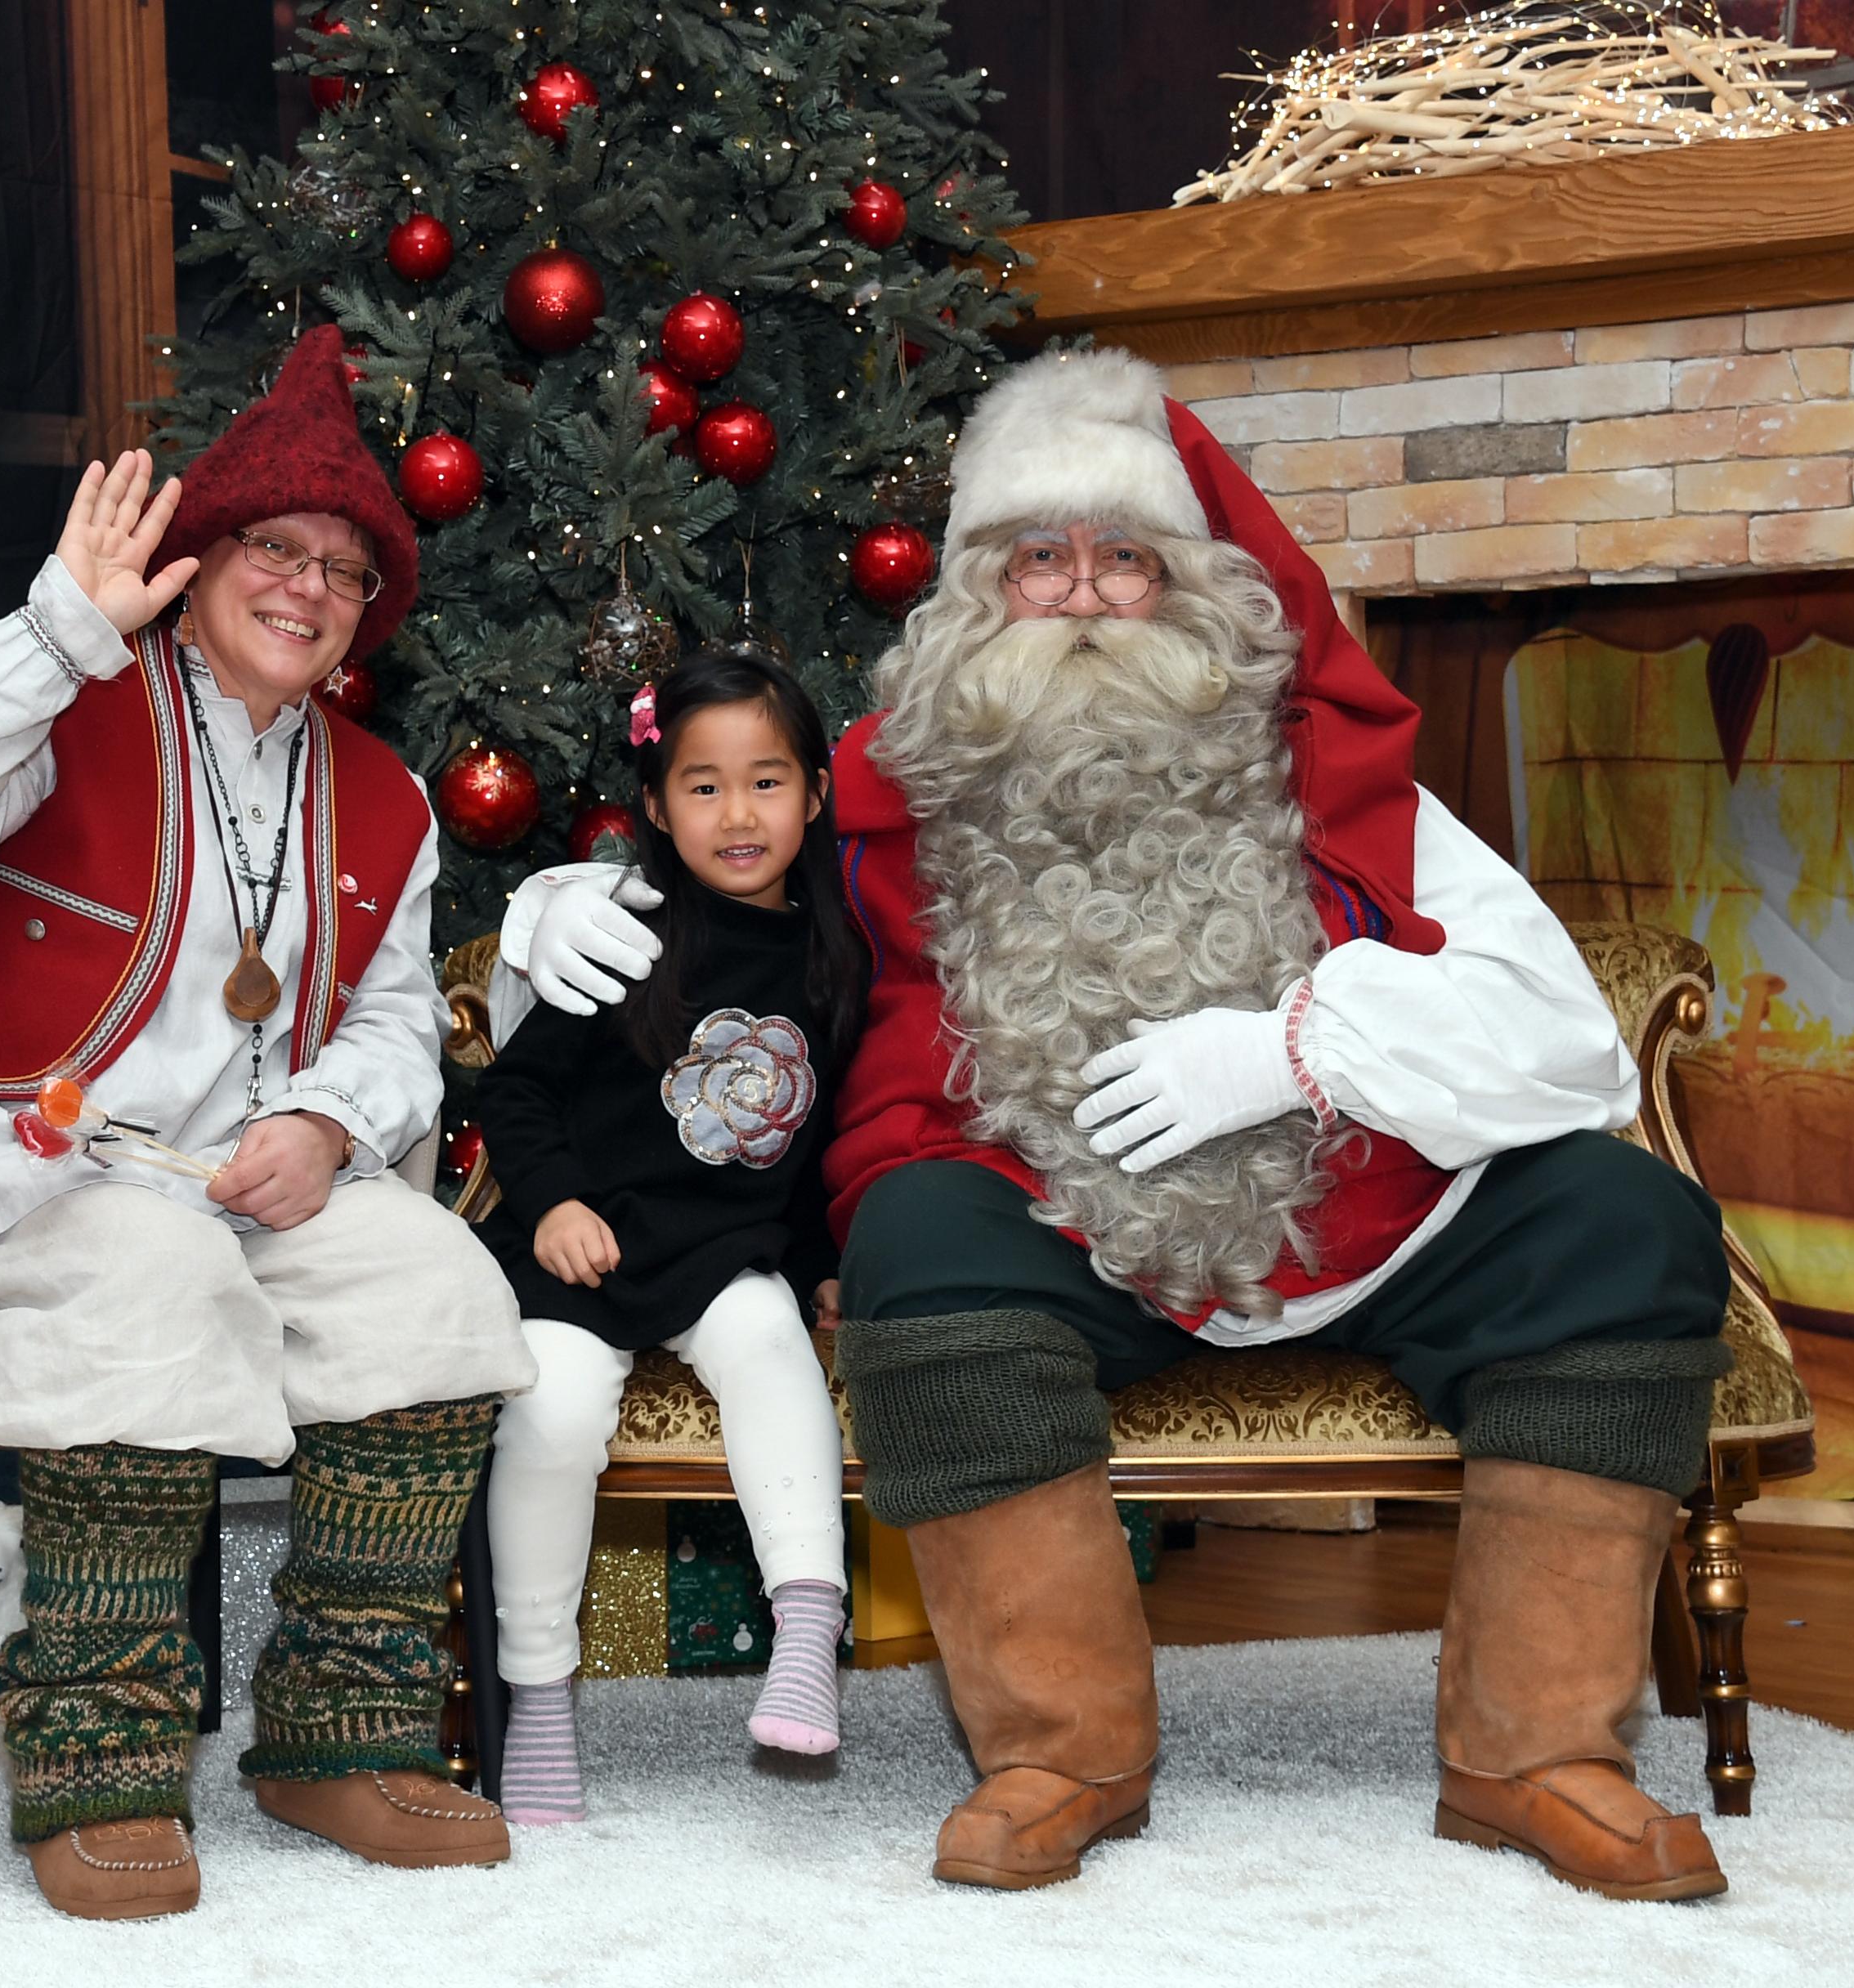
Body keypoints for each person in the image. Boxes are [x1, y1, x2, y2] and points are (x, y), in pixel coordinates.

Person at [506, 346, 1736, 1902]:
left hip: (1372, 1217)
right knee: (924, 1238)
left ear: (1194, 587)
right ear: (976, 592)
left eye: (1125, 557)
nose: (1082, 594)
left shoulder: (1341, 781)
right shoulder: (890, 796)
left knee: (1627, 1227)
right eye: (1039, 558)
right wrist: (566, 899)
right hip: (1064, 1230)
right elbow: (725, 871)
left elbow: (1568, 1044)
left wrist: (1300, 1048)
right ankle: (1059, 1751)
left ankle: (1536, 1755)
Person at [0, 325, 535, 1921]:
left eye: (345, 571)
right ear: (198, 559)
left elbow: (399, 1016)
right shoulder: (61, 696)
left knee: (437, 1288)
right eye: (275, 547)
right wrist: (56, 630)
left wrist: (334, 1121)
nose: (306, 586)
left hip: (241, 1183)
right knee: (151, 1275)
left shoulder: (386, 794)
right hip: (20, 1176)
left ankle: (336, 1734)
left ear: (367, 621)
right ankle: (99, 1755)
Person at [472, 649, 863, 1823]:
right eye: (703, 786)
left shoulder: (837, 957)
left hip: (722, 1250)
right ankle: (538, 1694)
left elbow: (815, 1146)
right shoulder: (625, 932)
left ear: (817, 790)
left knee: (769, 1343)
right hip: (582, 1247)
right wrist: (551, 1206)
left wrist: (822, 1265)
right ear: (654, 806)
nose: (738, 814)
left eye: (767, 781)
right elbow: (515, 1096)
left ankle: (806, 1619)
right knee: (551, 1411)